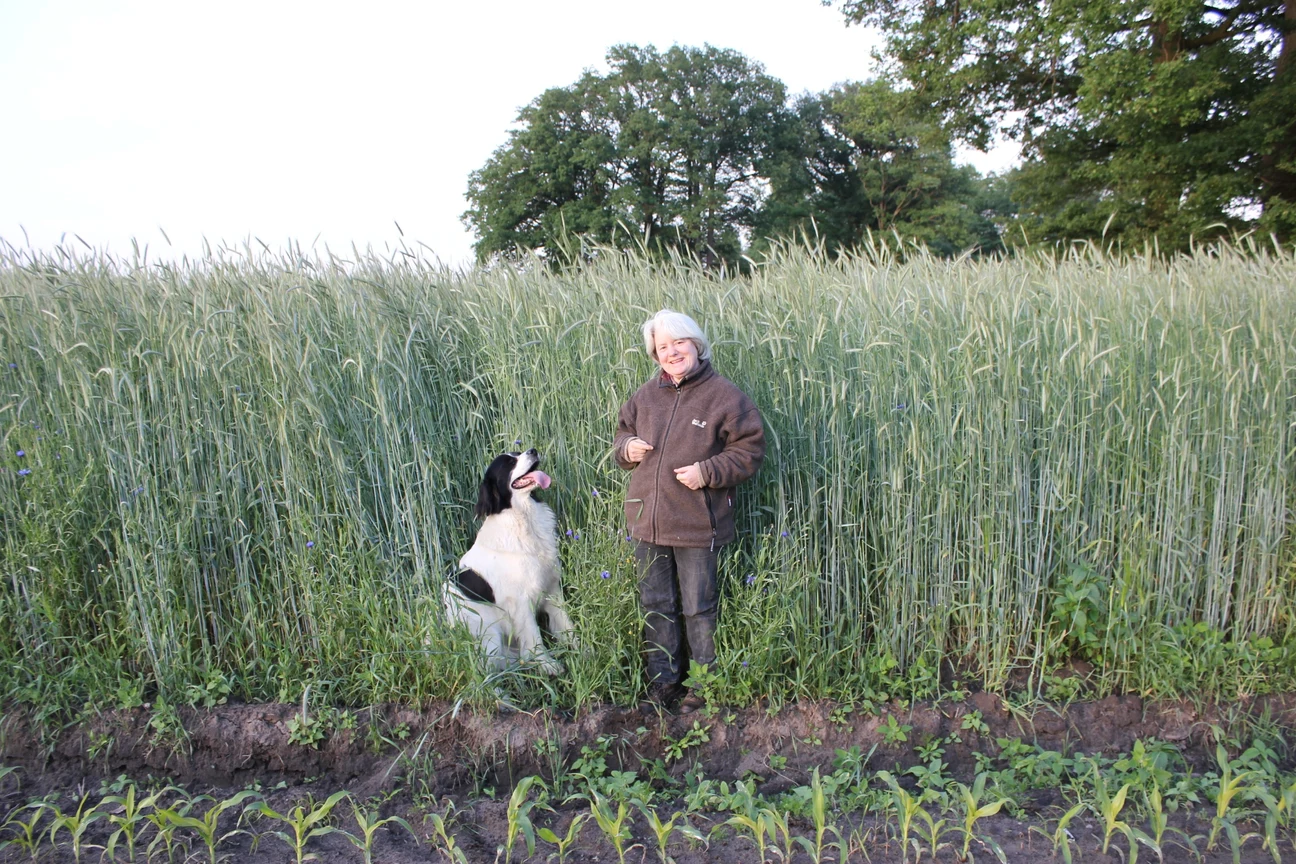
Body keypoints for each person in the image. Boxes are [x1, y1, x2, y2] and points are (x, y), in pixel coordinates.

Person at [613, 309, 765, 714]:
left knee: (698, 608)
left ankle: (703, 685)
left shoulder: (726, 397)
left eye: (678, 342)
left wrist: (708, 472)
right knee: (655, 604)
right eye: (662, 346)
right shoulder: (645, 396)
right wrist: (626, 449)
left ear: (695, 344)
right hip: (647, 522)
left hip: (698, 523)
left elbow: (749, 450)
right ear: (655, 355)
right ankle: (663, 682)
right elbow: (621, 434)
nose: (672, 351)